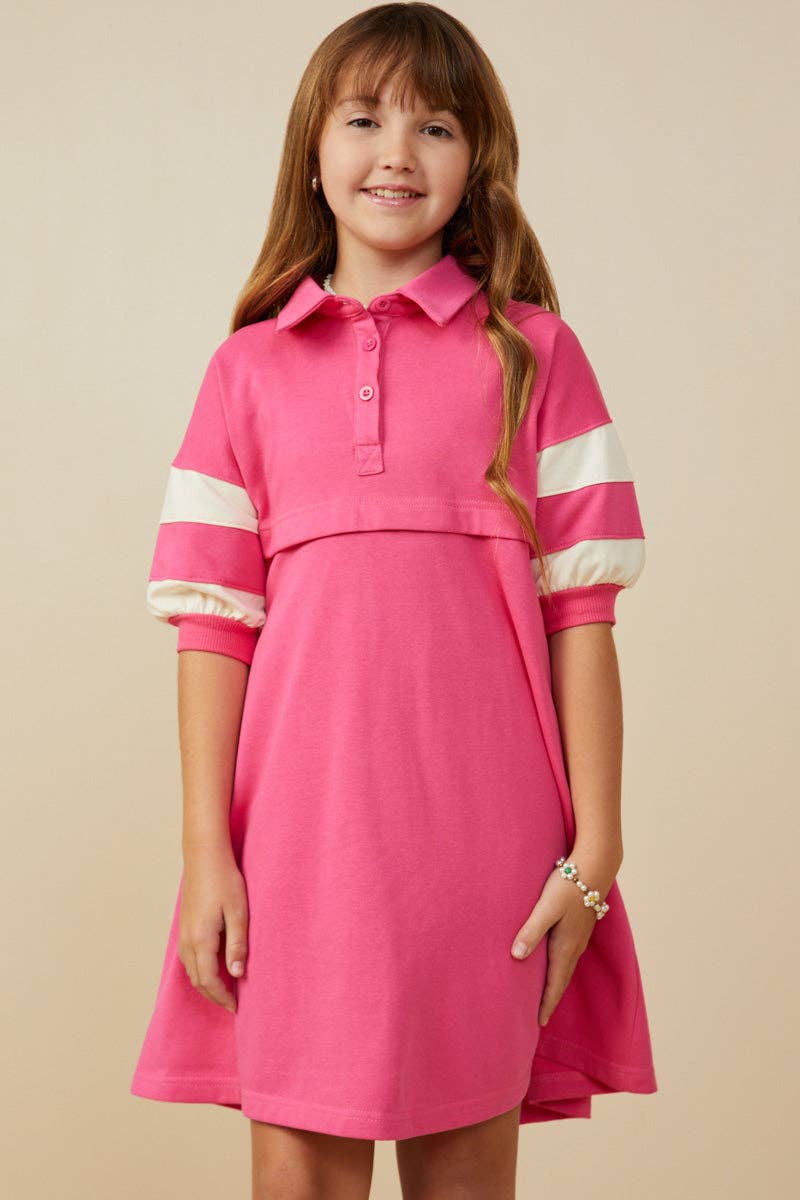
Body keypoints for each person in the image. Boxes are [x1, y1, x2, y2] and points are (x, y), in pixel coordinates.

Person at [130, 3, 657, 1195]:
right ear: (312, 151)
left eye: (435, 127)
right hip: (298, 847)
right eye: (363, 120)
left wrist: (595, 850)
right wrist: (206, 853)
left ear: (475, 161)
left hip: (487, 849)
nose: (396, 154)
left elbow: (581, 615)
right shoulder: (245, 370)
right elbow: (211, 626)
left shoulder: (535, 355)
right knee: (299, 1174)